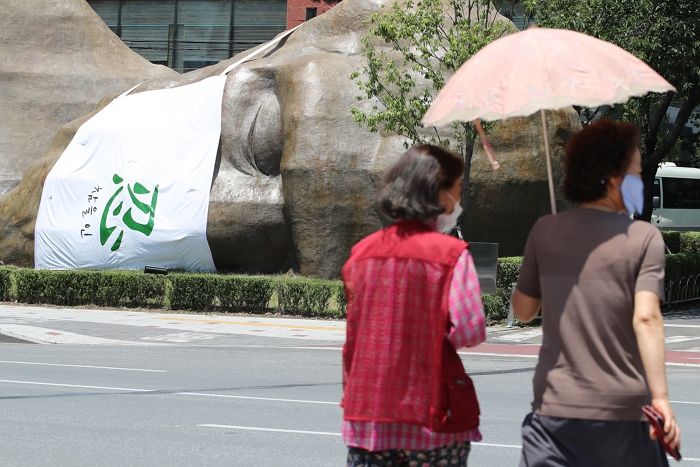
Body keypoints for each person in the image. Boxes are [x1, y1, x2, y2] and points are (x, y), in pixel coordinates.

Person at [512, 119, 682, 466]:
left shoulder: (545, 230)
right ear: (612, 178)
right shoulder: (644, 238)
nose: (640, 181)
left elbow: (523, 310)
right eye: (636, 172)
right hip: (626, 415)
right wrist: (661, 399)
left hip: (555, 414)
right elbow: (647, 318)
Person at [341, 144, 486, 466]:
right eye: (457, 190)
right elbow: (469, 330)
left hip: (368, 413)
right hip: (431, 415)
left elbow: (356, 333)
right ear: (437, 193)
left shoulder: (360, 254)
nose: (459, 201)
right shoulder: (451, 255)